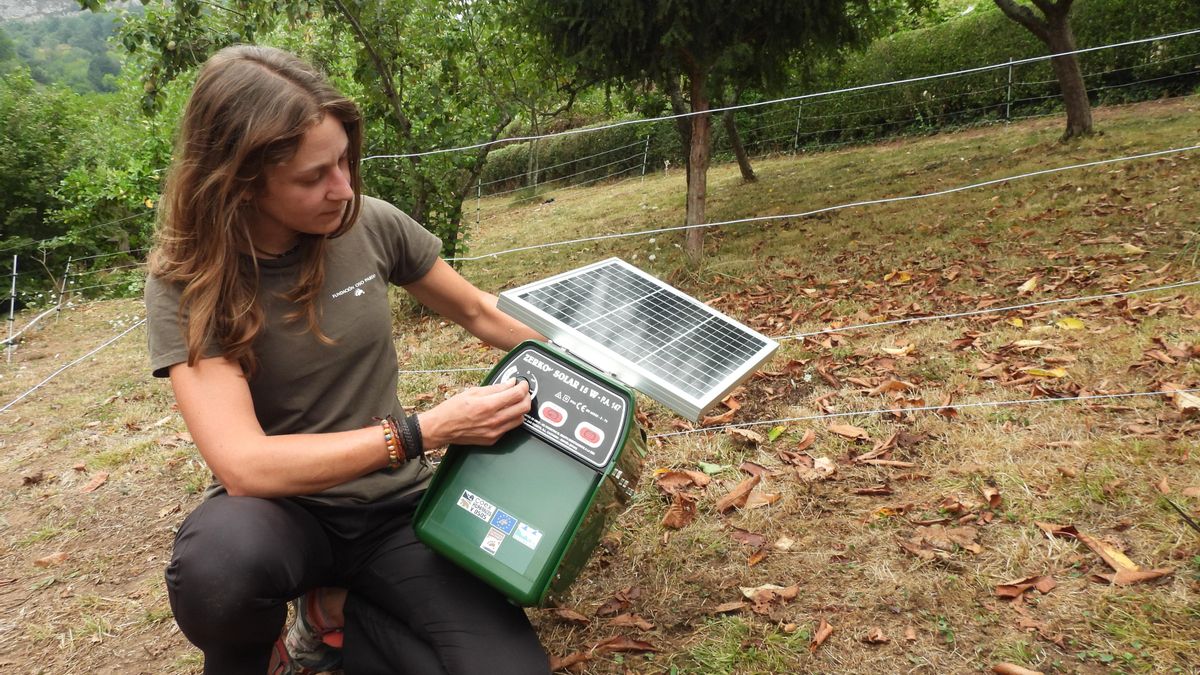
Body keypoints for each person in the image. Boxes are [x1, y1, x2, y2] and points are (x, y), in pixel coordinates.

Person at [144, 44, 550, 675]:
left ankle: (333, 613)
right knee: (219, 570)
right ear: (240, 182)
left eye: (344, 161)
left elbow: (477, 310)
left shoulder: (370, 224)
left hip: (393, 512)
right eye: (313, 177)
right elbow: (244, 465)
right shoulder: (189, 284)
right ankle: (260, 656)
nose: (343, 188)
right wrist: (424, 431)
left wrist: (595, 355)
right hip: (281, 516)